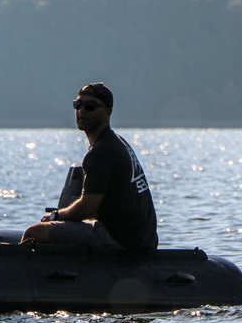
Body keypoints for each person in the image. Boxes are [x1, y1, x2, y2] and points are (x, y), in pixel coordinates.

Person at [21, 82, 159, 251]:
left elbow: (87, 207)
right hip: (142, 238)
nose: (82, 111)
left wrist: (55, 216)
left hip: (122, 240)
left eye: (90, 106)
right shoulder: (116, 142)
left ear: (107, 112)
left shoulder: (102, 152)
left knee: (33, 233)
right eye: (77, 105)